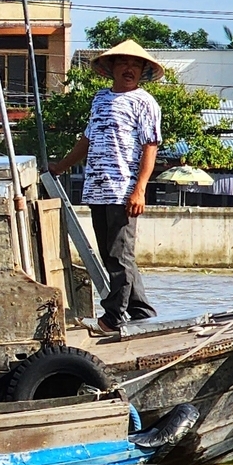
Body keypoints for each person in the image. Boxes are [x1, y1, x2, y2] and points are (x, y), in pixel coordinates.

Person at [47, 39, 163, 332]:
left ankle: (112, 317)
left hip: (124, 190)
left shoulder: (144, 102)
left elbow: (150, 147)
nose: (129, 69)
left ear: (142, 72)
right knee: (111, 254)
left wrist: (140, 190)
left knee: (120, 255)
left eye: (135, 65)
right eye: (123, 63)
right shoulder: (100, 99)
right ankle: (142, 312)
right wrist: (59, 167)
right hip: (98, 188)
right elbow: (86, 141)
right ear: (111, 68)